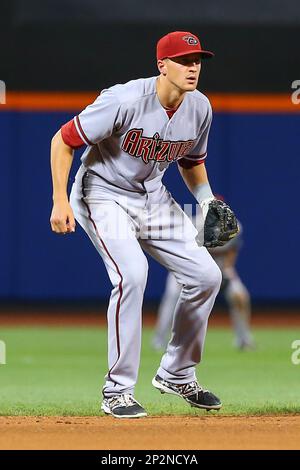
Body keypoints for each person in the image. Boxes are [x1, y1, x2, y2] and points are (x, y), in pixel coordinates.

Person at [50, 31, 235, 419]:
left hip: (153, 196)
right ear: (161, 65)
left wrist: (206, 202)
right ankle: (116, 390)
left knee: (206, 276)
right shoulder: (124, 99)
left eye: (198, 60)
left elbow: (190, 162)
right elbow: (63, 140)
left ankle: (176, 372)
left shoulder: (200, 108)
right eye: (184, 60)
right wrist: (60, 199)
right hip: (102, 193)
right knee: (132, 274)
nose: (193, 67)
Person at [152, 216, 255, 351]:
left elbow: (232, 252)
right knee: (172, 296)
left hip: (220, 266)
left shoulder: (234, 226)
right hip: (187, 265)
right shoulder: (195, 224)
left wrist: (226, 272)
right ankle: (159, 339)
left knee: (240, 296)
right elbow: (186, 253)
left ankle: (243, 339)